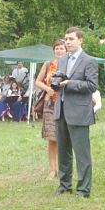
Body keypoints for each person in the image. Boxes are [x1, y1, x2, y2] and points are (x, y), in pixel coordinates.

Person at [53, 27, 98, 198]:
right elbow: (61, 79)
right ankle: (64, 185)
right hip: (61, 110)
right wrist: (56, 82)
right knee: (63, 151)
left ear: (80, 40)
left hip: (78, 112)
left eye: (71, 39)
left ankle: (83, 189)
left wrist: (69, 83)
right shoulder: (62, 59)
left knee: (81, 153)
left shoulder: (89, 61)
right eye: (66, 39)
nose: (67, 42)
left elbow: (92, 85)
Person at [35, 39, 67, 180]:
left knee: (64, 138)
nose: (59, 50)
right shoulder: (48, 64)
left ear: (66, 50)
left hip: (65, 103)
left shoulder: (69, 65)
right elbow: (37, 81)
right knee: (52, 139)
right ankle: (52, 170)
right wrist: (48, 88)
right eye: (57, 48)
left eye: (62, 48)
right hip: (50, 105)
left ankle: (64, 168)